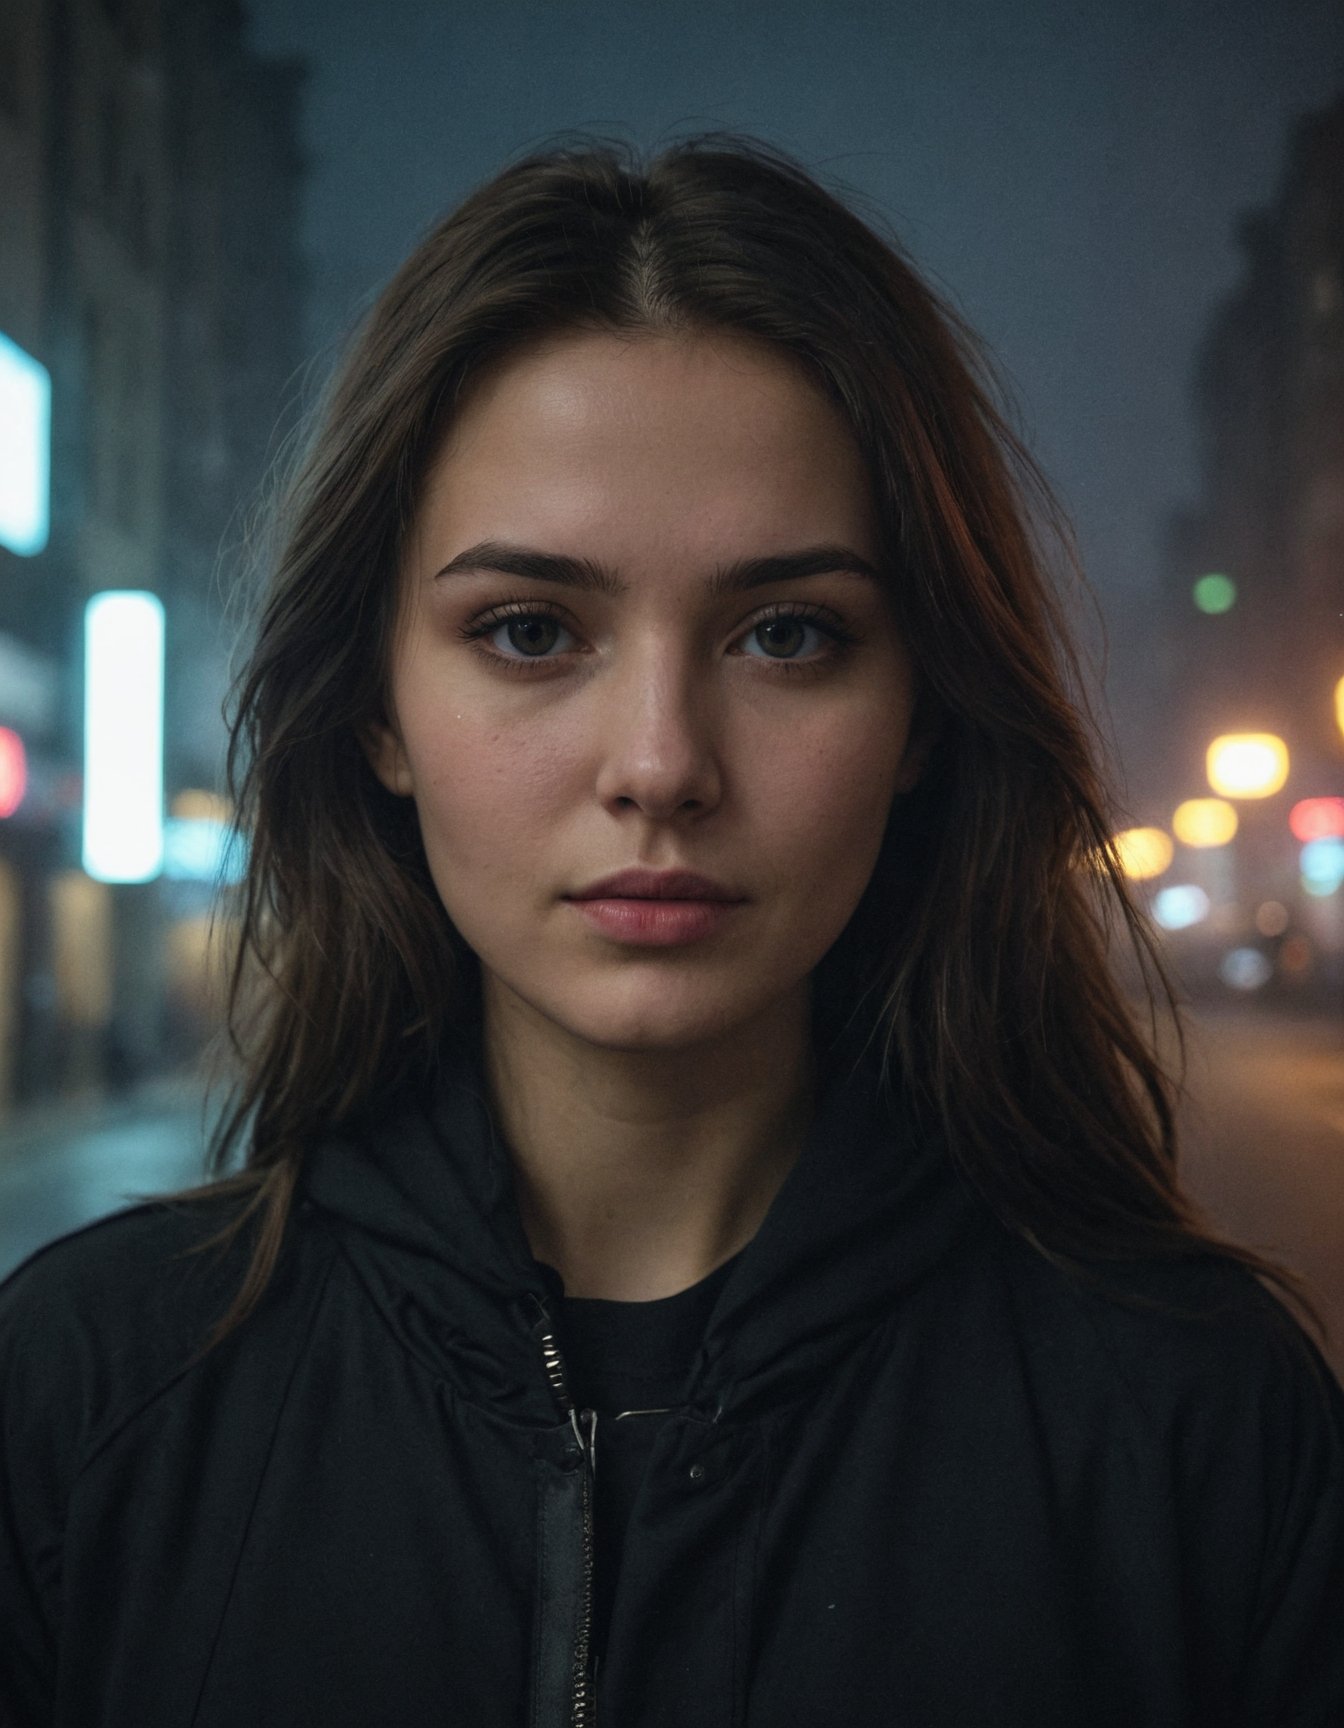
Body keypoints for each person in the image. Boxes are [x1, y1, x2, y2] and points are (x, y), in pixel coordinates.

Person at [2, 134, 1341, 1728]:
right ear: (376, 708)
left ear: (923, 713)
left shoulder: (1199, 1421)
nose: (660, 764)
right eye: (529, 631)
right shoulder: (87, 1393)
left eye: (789, 635)